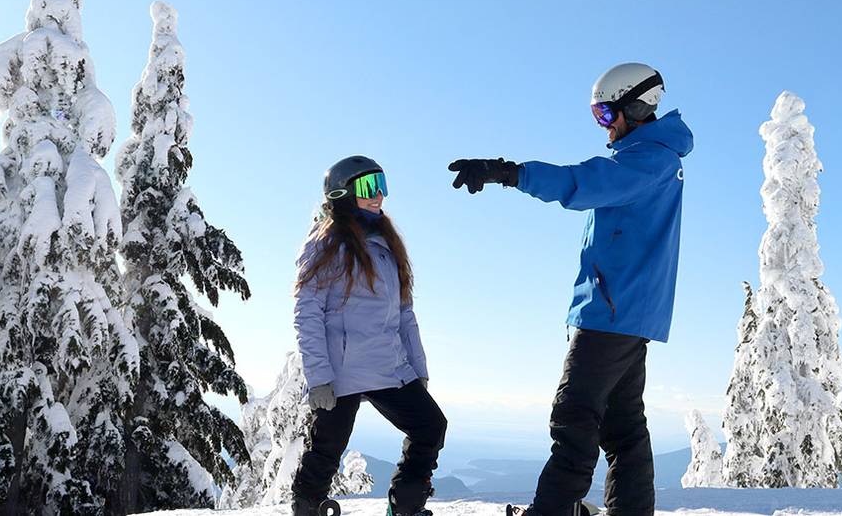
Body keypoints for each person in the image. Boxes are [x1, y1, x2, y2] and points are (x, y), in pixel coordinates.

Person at [448, 62, 692, 516]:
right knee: (622, 427)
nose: (604, 127)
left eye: (606, 114)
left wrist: (509, 173)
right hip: (626, 313)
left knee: (574, 416)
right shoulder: (652, 160)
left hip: (610, 313)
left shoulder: (647, 162)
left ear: (636, 107)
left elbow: (579, 183)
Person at [292, 156, 447, 516]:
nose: (378, 195)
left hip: (386, 363)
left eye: (382, 185)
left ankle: (405, 505)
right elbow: (307, 312)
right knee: (327, 448)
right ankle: (306, 509)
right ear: (342, 194)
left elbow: (404, 313)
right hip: (341, 371)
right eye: (368, 187)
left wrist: (417, 368)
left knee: (430, 426)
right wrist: (319, 378)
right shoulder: (326, 242)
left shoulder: (386, 244)